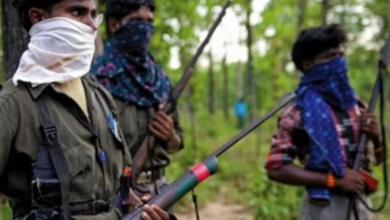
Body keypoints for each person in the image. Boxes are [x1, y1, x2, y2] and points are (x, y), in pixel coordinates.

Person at [0, 0, 174, 219]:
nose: (92, 25)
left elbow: (123, 181)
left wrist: (140, 209)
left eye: (93, 14)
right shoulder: (14, 104)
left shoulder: (99, 95)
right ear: (38, 17)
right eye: (78, 12)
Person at [265, 24, 383, 220]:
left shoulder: (356, 105)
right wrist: (333, 180)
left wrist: (376, 136)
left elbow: (376, 160)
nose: (339, 63)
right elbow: (276, 168)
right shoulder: (298, 109)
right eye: (330, 57)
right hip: (323, 207)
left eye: (341, 55)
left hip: (360, 205)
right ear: (308, 64)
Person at [91, 0, 184, 200]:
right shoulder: (97, 80)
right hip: (113, 196)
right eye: (137, 21)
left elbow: (177, 143)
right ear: (115, 25)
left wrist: (170, 136)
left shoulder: (159, 80)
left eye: (149, 21)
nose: (145, 28)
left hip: (160, 192)